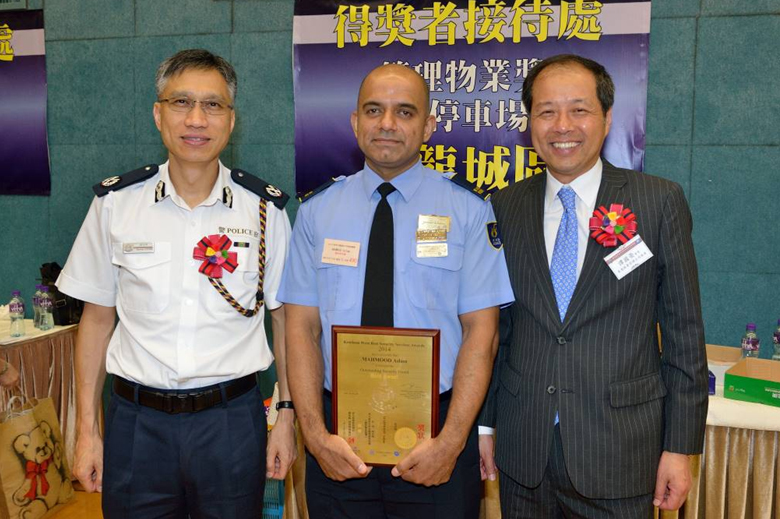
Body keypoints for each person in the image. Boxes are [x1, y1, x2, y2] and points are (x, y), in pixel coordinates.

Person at [56, 49, 295, 519]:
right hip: (136, 425)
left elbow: (285, 321)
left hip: (231, 424)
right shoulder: (115, 204)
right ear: (158, 114)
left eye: (213, 105)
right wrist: (87, 429)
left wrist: (284, 415)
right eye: (181, 102)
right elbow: (97, 320)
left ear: (231, 120)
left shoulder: (264, 212)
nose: (197, 119)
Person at [278, 63, 514, 518]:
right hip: (337, 437)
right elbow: (301, 328)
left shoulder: (467, 210)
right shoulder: (316, 212)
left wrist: (451, 443)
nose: (387, 124)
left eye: (405, 112)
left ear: (427, 126)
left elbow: (482, 336)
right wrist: (314, 436)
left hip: (437, 436)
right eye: (374, 110)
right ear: (354, 122)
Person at [478, 54, 708, 518]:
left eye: (579, 110)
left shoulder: (657, 202)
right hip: (525, 451)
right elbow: (496, 329)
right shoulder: (504, 206)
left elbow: (684, 336)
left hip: (621, 452)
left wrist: (681, 449)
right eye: (546, 111)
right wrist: (486, 427)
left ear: (606, 118)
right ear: (529, 123)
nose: (562, 125)